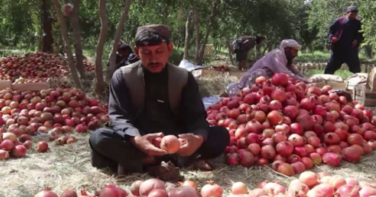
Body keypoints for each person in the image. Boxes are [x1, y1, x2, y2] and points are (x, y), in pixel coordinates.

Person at [89, 24, 229, 178]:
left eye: (159, 51)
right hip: (138, 141)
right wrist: (137, 139)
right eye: (147, 53)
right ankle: (164, 160)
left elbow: (196, 117)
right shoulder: (122, 77)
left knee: (220, 135)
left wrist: (197, 138)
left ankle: (144, 163)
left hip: (176, 142)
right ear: (136, 52)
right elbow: (119, 116)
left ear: (169, 49)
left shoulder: (183, 78)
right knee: (99, 137)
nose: (154, 59)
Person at [226, 39, 311, 96]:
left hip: (265, 85)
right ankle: (247, 94)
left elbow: (295, 71)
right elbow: (285, 74)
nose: (296, 54)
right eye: (295, 51)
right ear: (287, 49)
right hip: (251, 81)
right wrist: (304, 81)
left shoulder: (287, 59)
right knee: (261, 73)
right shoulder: (277, 54)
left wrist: (306, 79)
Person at [324, 6, 364, 74]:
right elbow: (331, 31)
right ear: (347, 13)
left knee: (356, 70)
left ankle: (359, 83)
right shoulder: (339, 21)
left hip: (351, 50)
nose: (353, 16)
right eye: (352, 14)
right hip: (338, 49)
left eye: (355, 14)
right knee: (329, 69)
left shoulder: (358, 23)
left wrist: (357, 40)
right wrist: (332, 37)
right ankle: (325, 82)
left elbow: (362, 35)